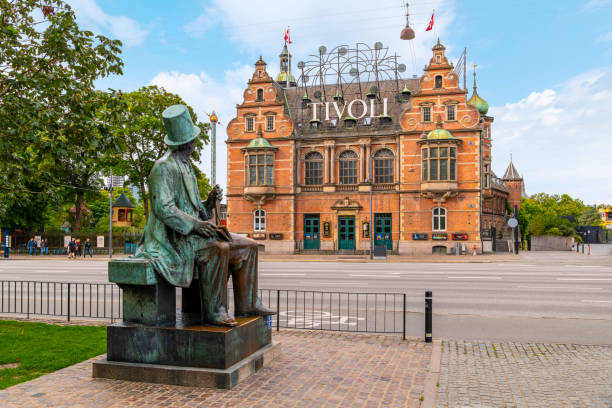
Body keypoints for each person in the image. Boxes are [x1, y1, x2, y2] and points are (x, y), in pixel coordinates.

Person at [133, 104, 274, 327]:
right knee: (218, 249)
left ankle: (248, 304)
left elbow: (194, 208)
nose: (194, 143)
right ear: (183, 143)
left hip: (193, 234)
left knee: (249, 246)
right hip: (173, 240)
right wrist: (197, 225)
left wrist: (208, 202)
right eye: (192, 140)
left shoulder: (186, 166)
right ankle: (214, 311)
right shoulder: (164, 167)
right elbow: (164, 209)